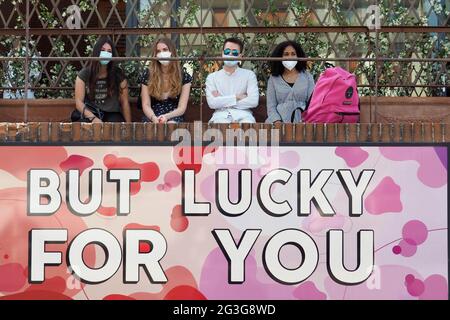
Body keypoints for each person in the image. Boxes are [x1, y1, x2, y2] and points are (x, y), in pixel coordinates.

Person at [73, 36, 131, 123]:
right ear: (96, 52)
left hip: (112, 114)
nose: (105, 53)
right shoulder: (84, 74)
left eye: (109, 51)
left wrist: (128, 126)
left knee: (116, 128)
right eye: (103, 50)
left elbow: (125, 103)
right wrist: (93, 118)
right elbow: (78, 102)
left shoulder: (118, 75)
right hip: (91, 112)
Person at [205, 37, 259, 123]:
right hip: (220, 117)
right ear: (222, 53)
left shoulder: (249, 75)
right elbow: (212, 103)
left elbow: (253, 101)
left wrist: (223, 101)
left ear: (240, 56)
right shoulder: (212, 78)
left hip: (244, 116)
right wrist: (236, 97)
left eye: (234, 53)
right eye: (227, 51)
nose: (230, 54)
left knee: (248, 126)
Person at [139, 38, 192, 123]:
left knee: (171, 124)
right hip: (152, 114)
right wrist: (154, 118)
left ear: (172, 52)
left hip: (174, 115)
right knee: (149, 127)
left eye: (165, 50)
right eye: (158, 51)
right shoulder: (147, 75)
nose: (162, 53)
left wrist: (166, 117)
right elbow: (146, 104)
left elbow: (182, 108)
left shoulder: (184, 77)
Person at [266, 40, 315, 123]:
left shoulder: (307, 77)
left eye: (293, 54)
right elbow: (271, 106)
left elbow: (313, 102)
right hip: (279, 122)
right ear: (279, 57)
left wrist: (306, 121)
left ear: (298, 56)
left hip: (303, 122)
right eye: (286, 54)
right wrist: (277, 121)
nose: (290, 57)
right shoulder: (273, 78)